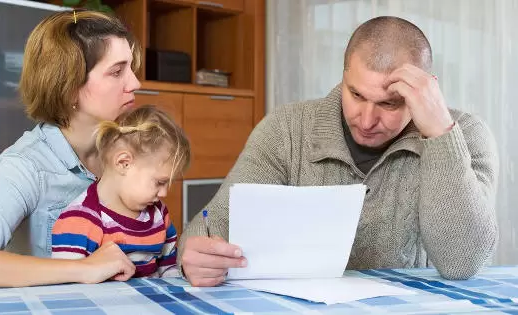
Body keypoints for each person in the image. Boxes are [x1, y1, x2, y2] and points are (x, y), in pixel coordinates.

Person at [178, 16, 499, 286]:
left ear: (425, 90)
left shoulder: (466, 135)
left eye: (389, 103)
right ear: (344, 76)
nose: (368, 119)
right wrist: (194, 258)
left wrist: (441, 134)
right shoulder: (285, 129)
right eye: (356, 94)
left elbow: (462, 263)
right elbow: (208, 229)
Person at [0, 10, 144, 288]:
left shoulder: (132, 151)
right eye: (117, 71)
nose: (135, 83)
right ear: (69, 87)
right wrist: (80, 269)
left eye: (131, 69)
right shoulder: (27, 165)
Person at [51, 104, 190, 279]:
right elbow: (67, 283)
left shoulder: (159, 214)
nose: (163, 193)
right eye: (159, 182)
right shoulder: (80, 220)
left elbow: (169, 267)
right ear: (124, 163)